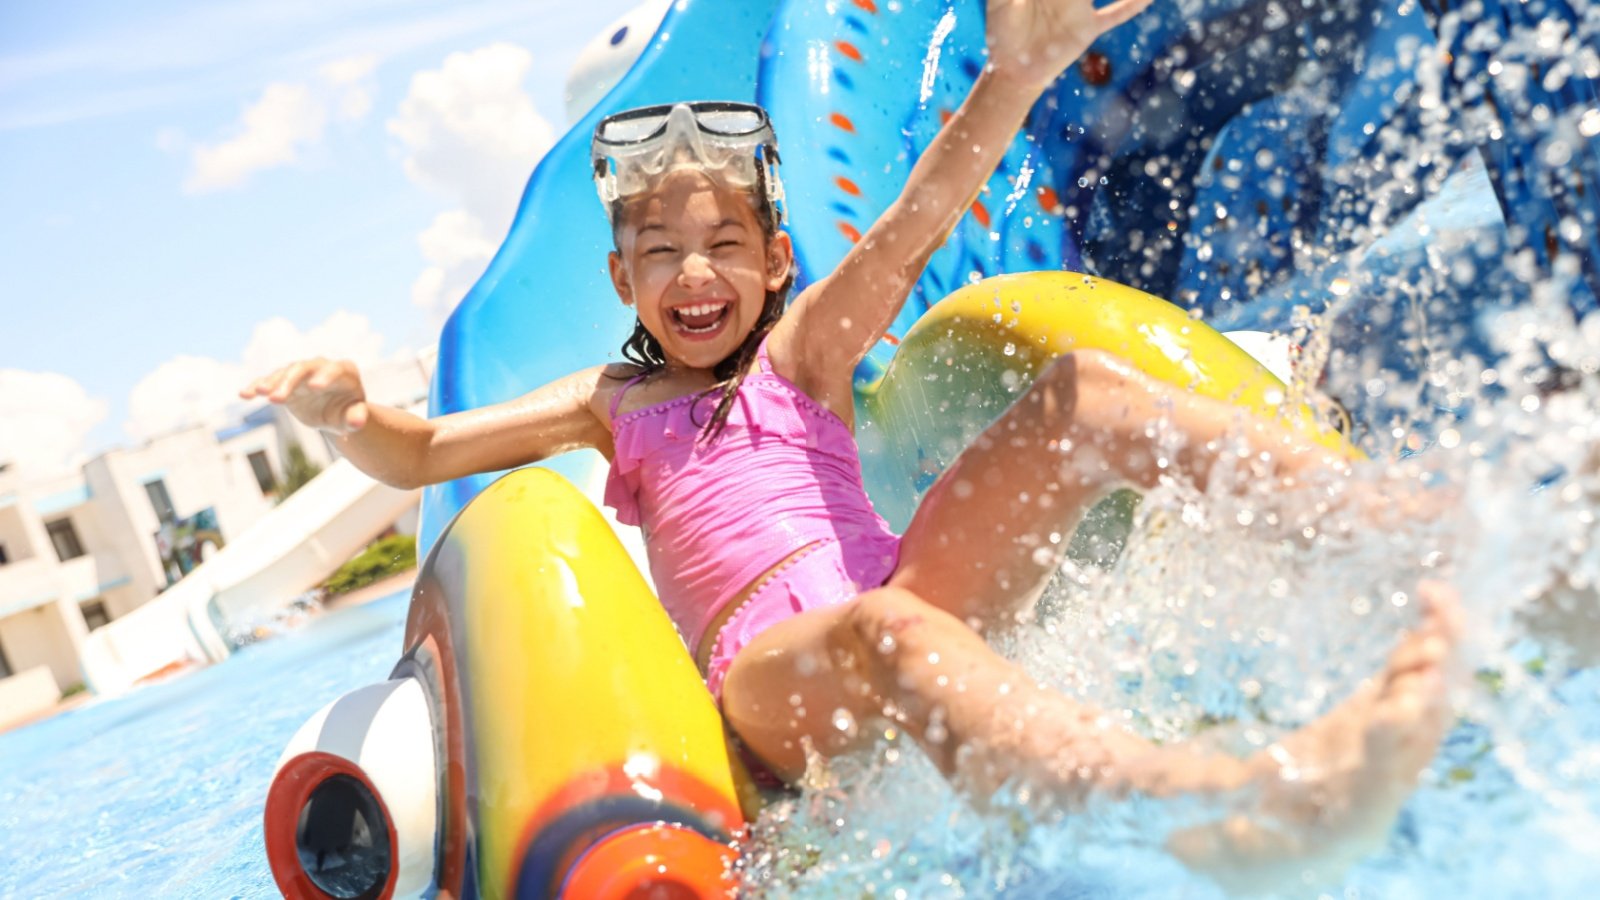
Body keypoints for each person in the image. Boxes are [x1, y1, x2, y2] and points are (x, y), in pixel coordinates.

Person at [242, 0, 1456, 887]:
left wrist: (1012, 83)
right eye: (660, 254)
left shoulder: (807, 344)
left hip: (901, 596)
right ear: (622, 277)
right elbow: (416, 455)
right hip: (767, 684)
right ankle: (1205, 810)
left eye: (724, 245)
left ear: (775, 261)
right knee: (887, 635)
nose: (693, 274)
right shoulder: (611, 400)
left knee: (1083, 394)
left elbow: (921, 214)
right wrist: (346, 414)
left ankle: (1406, 532)